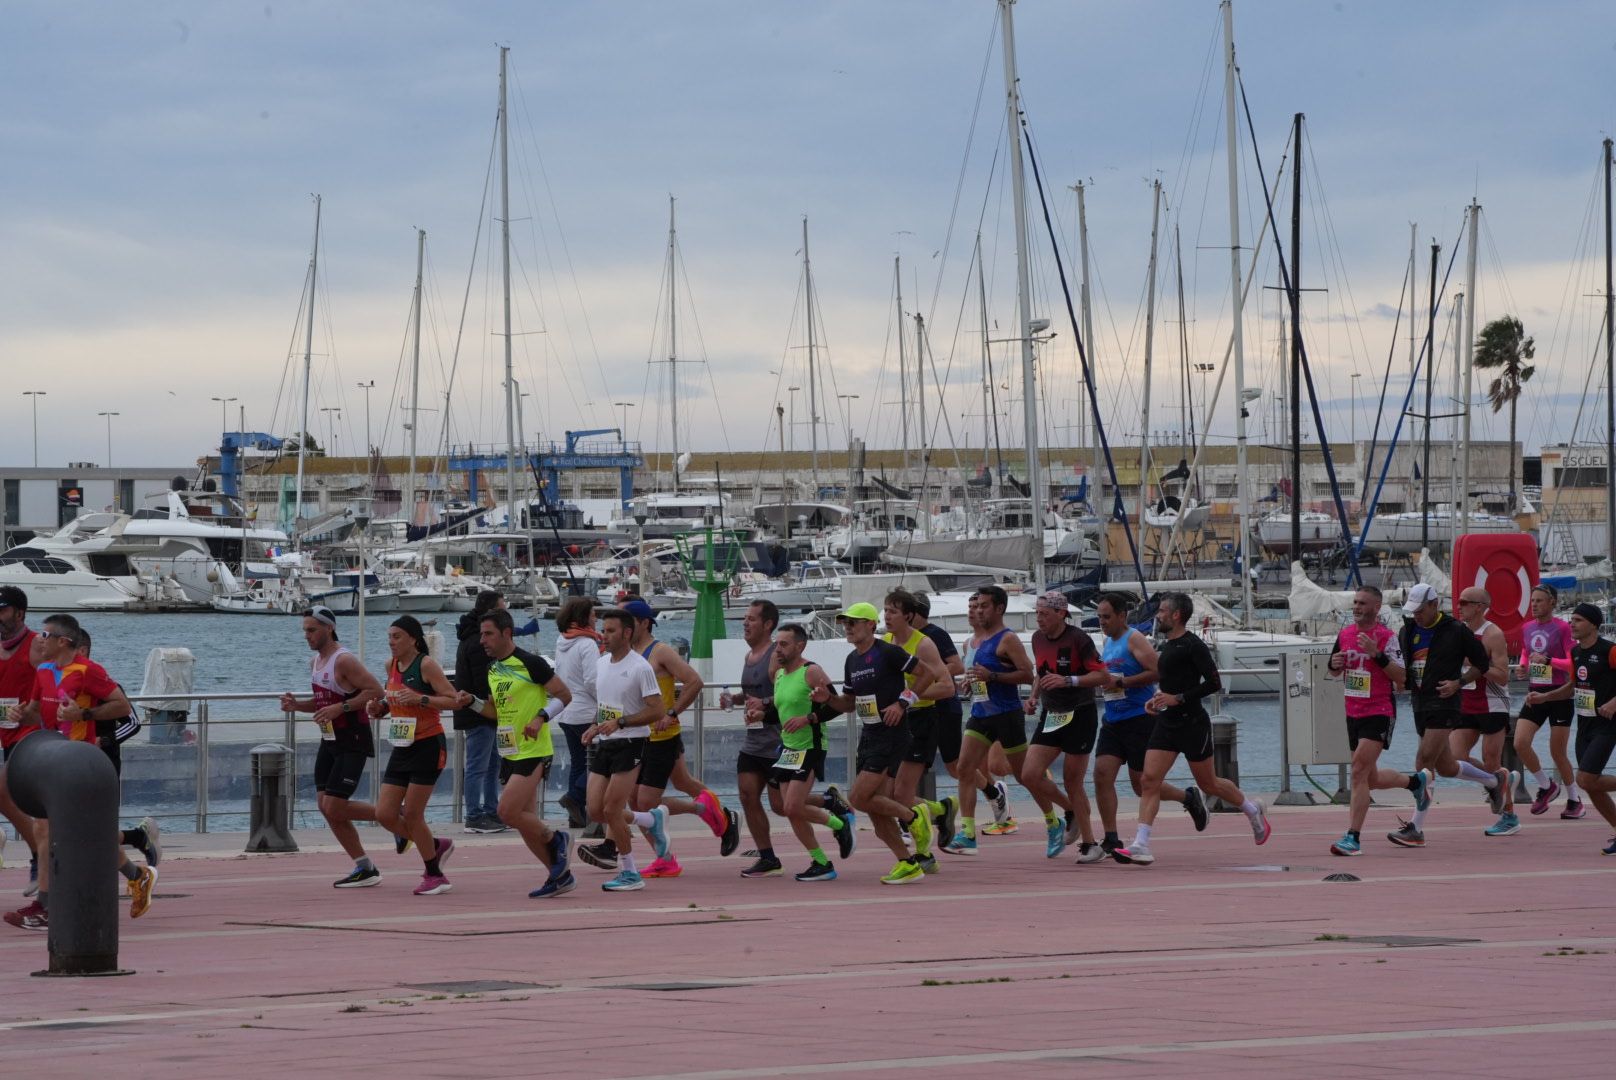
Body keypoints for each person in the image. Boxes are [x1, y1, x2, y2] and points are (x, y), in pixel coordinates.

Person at [3, 614, 156, 931]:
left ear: (64, 641)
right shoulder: (43, 670)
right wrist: (20, 713)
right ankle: (137, 876)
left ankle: (46, 906)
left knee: (60, 833)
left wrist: (83, 713)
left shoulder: (89, 671)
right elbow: (35, 710)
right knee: (71, 834)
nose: (38, 640)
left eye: (45, 634)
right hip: (49, 760)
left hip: (77, 764)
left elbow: (123, 707)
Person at [579, 599, 737, 877]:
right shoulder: (615, 658)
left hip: (660, 734)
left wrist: (673, 713)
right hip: (632, 737)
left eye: (625, 620)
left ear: (641, 623)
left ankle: (705, 812)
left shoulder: (659, 651)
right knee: (675, 785)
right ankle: (682, 836)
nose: (615, 627)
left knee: (646, 802)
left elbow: (694, 681)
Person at [1113, 593, 1271, 866]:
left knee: (1208, 783)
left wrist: (1179, 698)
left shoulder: (1193, 645)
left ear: (1176, 615)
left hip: (1192, 723)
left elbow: (1213, 683)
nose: (1157, 615)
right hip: (1167, 722)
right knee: (1148, 780)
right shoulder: (1167, 643)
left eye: (1162, 611)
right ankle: (1141, 844)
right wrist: (1160, 698)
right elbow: (1173, 681)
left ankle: (1252, 809)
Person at [813, 601, 951, 885]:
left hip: (893, 733)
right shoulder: (852, 660)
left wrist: (903, 702)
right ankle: (908, 863)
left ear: (870, 625)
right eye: (845, 623)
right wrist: (828, 700)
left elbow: (926, 674)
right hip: (870, 734)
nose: (848, 627)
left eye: (853, 622)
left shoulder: (887, 651)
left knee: (858, 798)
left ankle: (913, 816)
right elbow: (849, 704)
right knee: (876, 812)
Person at [943, 586, 1065, 855]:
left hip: (1006, 714)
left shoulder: (1006, 639)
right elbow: (977, 675)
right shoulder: (970, 643)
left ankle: (1054, 820)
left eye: (984, 605)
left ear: (999, 608)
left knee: (1025, 777)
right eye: (976, 606)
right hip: (980, 713)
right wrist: (970, 683)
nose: (978, 610)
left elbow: (1026, 674)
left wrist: (993, 677)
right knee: (964, 768)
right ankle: (967, 833)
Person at [1090, 593, 1207, 858]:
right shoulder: (1108, 641)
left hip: (1138, 719)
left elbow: (1158, 671)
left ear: (1122, 616)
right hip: (1112, 719)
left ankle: (1188, 798)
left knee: (1141, 784)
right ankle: (1111, 839)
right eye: (1099, 617)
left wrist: (1123, 683)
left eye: (1107, 617)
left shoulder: (1134, 639)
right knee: (1101, 775)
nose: (1102, 622)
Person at [1386, 583, 1501, 849]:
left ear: (1434, 605)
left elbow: (1482, 665)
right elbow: (1404, 665)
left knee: (1423, 760)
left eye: (1420, 610)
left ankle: (1416, 828)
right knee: (1446, 766)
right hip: (1419, 702)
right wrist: (1401, 681)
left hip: (1446, 702)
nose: (1416, 615)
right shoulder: (1408, 630)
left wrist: (1457, 683)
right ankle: (1495, 780)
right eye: (1412, 610)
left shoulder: (1456, 630)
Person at [278, 606, 387, 887]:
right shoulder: (315, 662)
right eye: (305, 630)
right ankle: (365, 867)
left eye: (312, 630)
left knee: (335, 806)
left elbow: (376, 691)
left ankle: (395, 816)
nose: (307, 636)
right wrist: (297, 706)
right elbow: (324, 702)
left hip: (353, 737)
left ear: (329, 628)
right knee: (325, 806)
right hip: (329, 740)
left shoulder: (344, 659)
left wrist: (343, 707)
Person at [475, 608, 577, 898]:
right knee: (525, 821)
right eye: (482, 634)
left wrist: (540, 717)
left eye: (488, 634)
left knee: (507, 812)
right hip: (509, 750)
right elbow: (494, 711)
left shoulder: (531, 663)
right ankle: (559, 876)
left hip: (534, 750)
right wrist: (469, 702)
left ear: (507, 633)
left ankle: (558, 838)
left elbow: (564, 695)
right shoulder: (493, 669)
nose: (483, 640)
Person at [368, 615, 468, 896]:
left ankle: (435, 874)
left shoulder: (426, 665)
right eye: (389, 637)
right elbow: (394, 699)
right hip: (402, 745)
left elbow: (453, 701)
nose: (391, 642)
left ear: (413, 638)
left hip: (428, 744)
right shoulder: (391, 666)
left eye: (397, 636)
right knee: (385, 814)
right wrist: (380, 708)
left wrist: (421, 699)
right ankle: (434, 845)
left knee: (413, 814)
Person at [1325, 586, 1422, 856]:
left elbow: (1401, 678)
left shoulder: (1387, 638)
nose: (1356, 607)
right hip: (1352, 711)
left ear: (1377, 608)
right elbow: (1333, 672)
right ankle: (1416, 784)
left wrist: (1376, 654)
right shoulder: (1344, 634)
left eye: (1363, 603)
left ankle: (1353, 838)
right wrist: (1334, 664)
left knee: (1357, 771)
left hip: (1378, 710)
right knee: (1371, 777)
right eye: (1355, 602)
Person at [581, 607, 672, 892]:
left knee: (612, 808)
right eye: (603, 630)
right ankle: (650, 819)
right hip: (606, 742)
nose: (603, 636)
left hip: (632, 742)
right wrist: (596, 725)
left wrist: (620, 723)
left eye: (610, 631)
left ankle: (630, 872)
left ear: (627, 633)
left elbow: (656, 710)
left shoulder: (640, 667)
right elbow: (606, 704)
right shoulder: (602, 663)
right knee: (595, 810)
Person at [1522, 603, 1616, 855]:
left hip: (1607, 726)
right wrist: (1545, 698)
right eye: (1572, 619)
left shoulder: (1610, 650)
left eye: (1579, 620)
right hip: (1584, 725)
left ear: (1594, 624)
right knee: (1591, 785)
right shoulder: (1575, 653)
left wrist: (1613, 702)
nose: (1572, 624)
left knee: (1585, 778)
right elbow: (1572, 686)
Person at [765, 623, 856, 881]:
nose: (778, 649)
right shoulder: (780, 674)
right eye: (776, 644)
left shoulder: (811, 671)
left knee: (793, 806)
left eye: (783, 644)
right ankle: (821, 862)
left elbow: (838, 705)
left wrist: (810, 718)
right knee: (788, 808)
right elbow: (780, 710)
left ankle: (840, 825)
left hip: (811, 746)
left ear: (799, 646)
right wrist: (760, 713)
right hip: (788, 747)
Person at [1022, 591, 1106, 861]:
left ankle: (1091, 845)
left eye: (1044, 614)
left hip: (1080, 714)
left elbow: (1102, 675)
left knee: (1073, 780)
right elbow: (1041, 672)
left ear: (1061, 613)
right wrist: (1033, 696)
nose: (1039, 619)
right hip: (1052, 714)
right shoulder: (1037, 638)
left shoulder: (1079, 639)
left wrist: (1069, 681)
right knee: (1029, 774)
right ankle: (1071, 811)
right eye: (1037, 613)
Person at [882, 590, 958, 875]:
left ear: (909, 615)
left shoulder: (923, 644)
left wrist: (910, 697)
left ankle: (924, 854)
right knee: (889, 793)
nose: (887, 616)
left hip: (922, 718)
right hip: (896, 721)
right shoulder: (887, 642)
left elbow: (947, 686)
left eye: (893, 611)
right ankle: (941, 810)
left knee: (901, 793)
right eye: (885, 610)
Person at [725, 599, 788, 878]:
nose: (745, 623)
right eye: (745, 618)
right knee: (748, 795)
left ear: (768, 624)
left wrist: (762, 703)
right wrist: (735, 698)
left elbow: (787, 694)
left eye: (751, 619)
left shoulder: (776, 655)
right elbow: (751, 693)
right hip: (753, 741)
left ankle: (832, 807)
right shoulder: (748, 657)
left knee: (782, 806)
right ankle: (768, 857)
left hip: (778, 739)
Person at [1452, 587, 1519, 837]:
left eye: (1464, 602)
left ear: (1479, 606)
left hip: (1493, 702)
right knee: (1455, 757)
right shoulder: (1458, 632)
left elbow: (1502, 677)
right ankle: (1498, 781)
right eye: (1458, 602)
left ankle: (1509, 816)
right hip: (1466, 701)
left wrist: (1478, 665)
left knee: (1492, 760)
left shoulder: (1493, 634)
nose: (1459, 606)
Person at [1512, 585, 1582, 818]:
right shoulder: (1527, 628)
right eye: (1532, 601)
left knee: (1557, 752)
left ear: (1552, 602)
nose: (1534, 605)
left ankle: (1574, 800)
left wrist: (1548, 660)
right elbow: (1525, 650)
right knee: (1520, 742)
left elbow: (1573, 663)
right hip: (1535, 692)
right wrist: (1523, 665)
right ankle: (1546, 785)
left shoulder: (1563, 628)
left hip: (1561, 693)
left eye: (1540, 601)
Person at [453, 591, 509, 833]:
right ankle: (474, 815)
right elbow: (482, 678)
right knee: (479, 765)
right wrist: (492, 701)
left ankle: (491, 811)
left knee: (491, 763)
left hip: (484, 713)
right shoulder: (478, 642)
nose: (506, 610)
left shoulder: (472, 637)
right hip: (479, 712)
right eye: (501, 607)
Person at [0, 586, 41, 894]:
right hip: (5, 734)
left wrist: (33, 710)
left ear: (19, 612)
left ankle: (40, 855)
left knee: (3, 792)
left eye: (2, 610)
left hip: (32, 734)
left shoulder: (36, 646)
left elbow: (56, 686)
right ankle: (132, 849)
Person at [553, 597, 602, 832]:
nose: (596, 618)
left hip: (566, 710)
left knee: (578, 764)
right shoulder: (587, 645)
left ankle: (577, 815)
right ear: (584, 616)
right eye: (593, 614)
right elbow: (593, 680)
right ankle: (574, 797)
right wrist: (604, 702)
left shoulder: (562, 640)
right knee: (598, 763)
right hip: (586, 711)